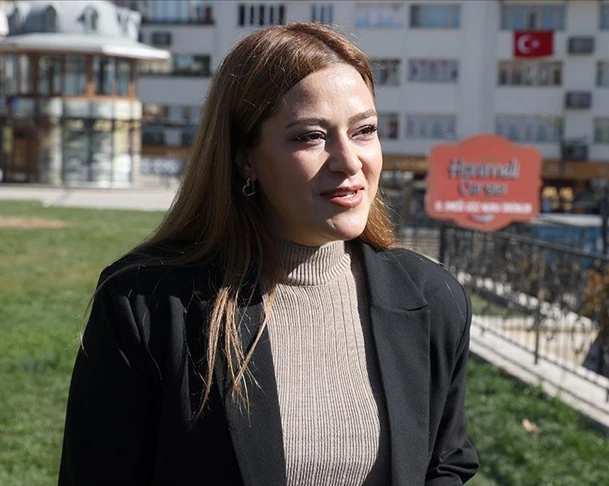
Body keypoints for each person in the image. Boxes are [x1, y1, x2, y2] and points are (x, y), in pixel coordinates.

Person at [59, 23, 479, 485]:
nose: (349, 161)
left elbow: (445, 463)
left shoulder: (434, 299)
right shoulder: (147, 305)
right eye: (310, 136)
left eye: (365, 131)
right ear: (245, 158)